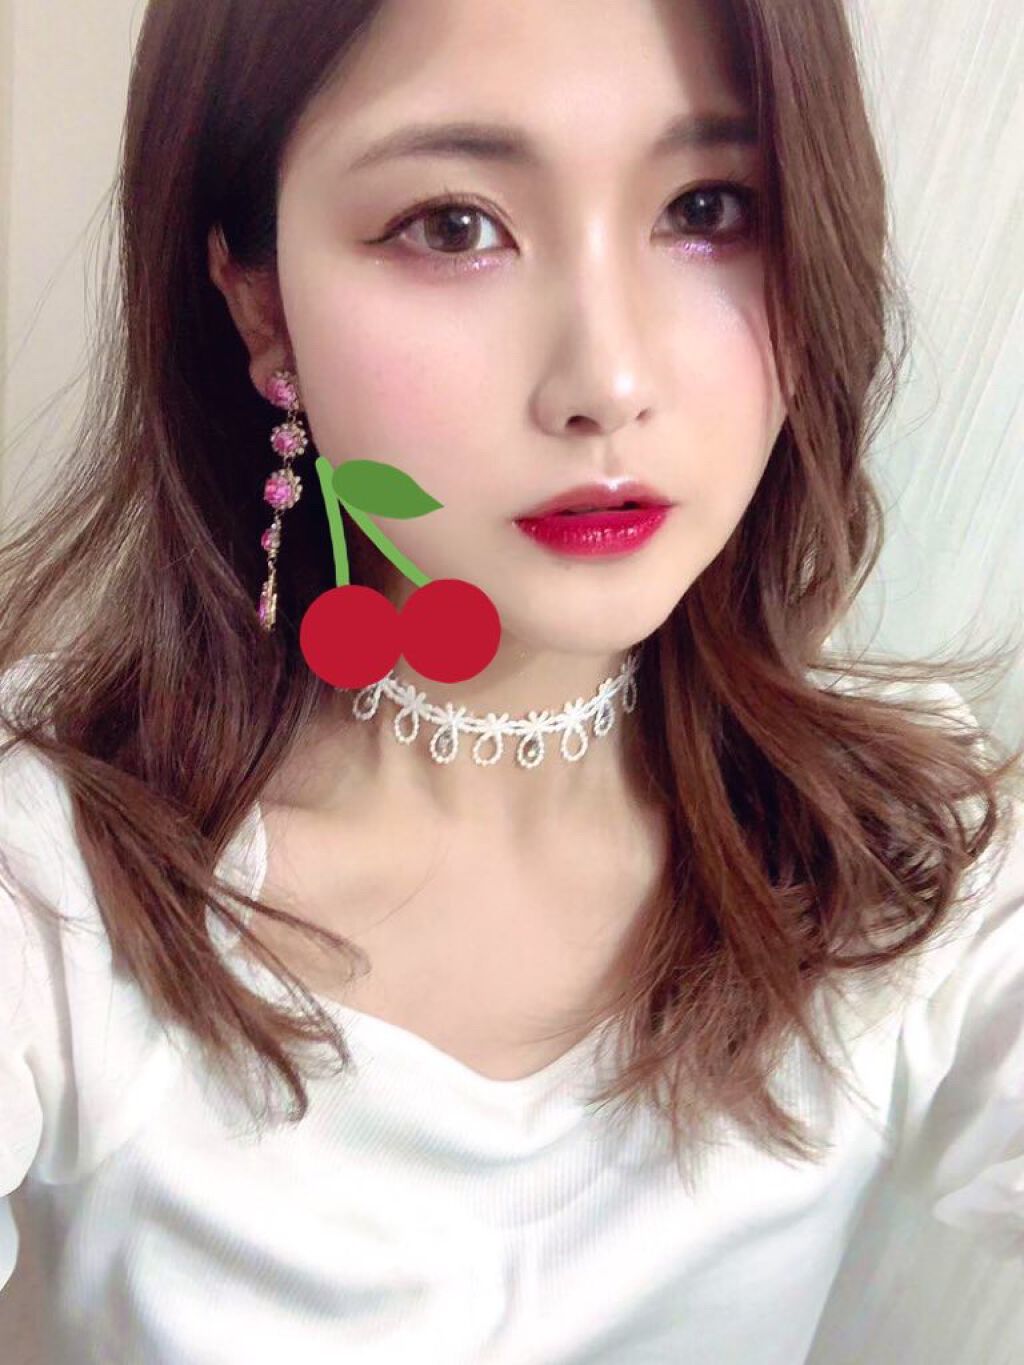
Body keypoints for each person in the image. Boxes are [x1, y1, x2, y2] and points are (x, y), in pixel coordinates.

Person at [0, 1, 1022, 1361]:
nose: (608, 379)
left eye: (709, 207)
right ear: (262, 303)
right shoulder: (49, 873)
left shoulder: (899, 856)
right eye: (452, 225)